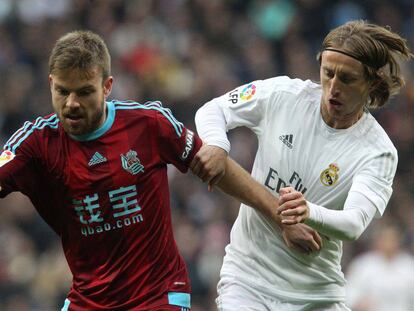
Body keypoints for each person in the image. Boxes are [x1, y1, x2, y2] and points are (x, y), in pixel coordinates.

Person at [0, 31, 322, 310]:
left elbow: (217, 167)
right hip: (88, 300)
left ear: (107, 86)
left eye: (84, 92)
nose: (71, 103)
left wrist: (279, 217)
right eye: (62, 91)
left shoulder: (148, 124)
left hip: (157, 297)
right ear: (51, 84)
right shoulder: (34, 145)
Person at [193, 20, 412, 310]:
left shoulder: (378, 151)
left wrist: (307, 212)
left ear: (371, 83)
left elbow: (354, 223)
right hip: (247, 283)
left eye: (346, 79)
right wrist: (217, 143)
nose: (333, 87)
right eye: (328, 73)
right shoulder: (283, 96)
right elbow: (214, 109)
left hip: (316, 296)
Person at [345, 222, 414, 311]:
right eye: (385, 239)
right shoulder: (362, 265)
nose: (388, 243)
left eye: (392, 239)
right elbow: (349, 290)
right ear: (378, 240)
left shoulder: (409, 266)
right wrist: (358, 302)